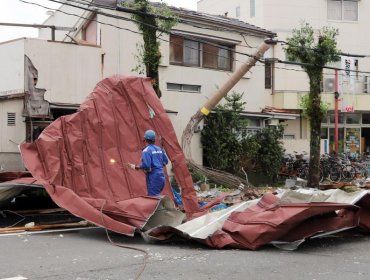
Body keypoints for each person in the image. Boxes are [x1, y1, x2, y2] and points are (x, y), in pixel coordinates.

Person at [128, 129, 169, 196]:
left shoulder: (146, 150)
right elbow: (165, 161)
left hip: (153, 177)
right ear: (154, 140)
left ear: (145, 140)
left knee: (153, 197)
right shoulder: (159, 149)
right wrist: (158, 165)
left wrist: (135, 167)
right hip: (161, 176)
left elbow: (146, 166)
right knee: (157, 195)